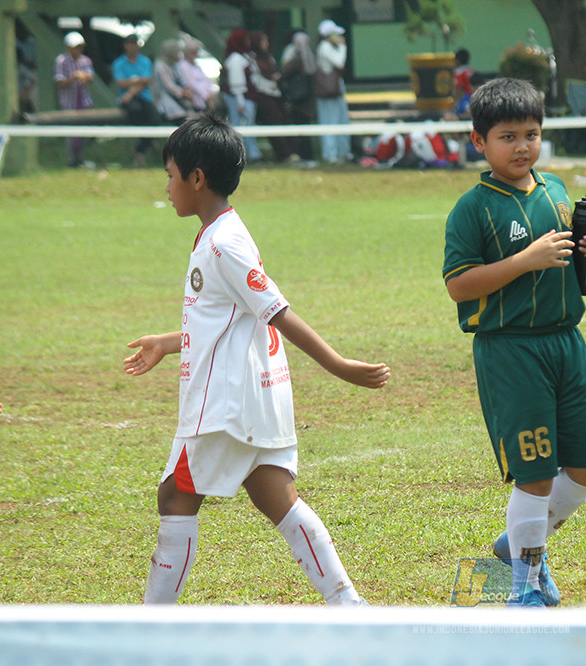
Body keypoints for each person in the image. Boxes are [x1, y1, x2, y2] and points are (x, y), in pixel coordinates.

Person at [125, 112, 390, 605]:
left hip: (225, 404)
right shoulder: (222, 232)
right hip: (254, 398)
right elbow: (223, 320)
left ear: (196, 178)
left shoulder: (224, 244)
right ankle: (348, 605)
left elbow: (277, 311)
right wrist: (167, 340)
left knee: (175, 497)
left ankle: (152, 625)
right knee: (274, 495)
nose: (167, 187)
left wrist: (338, 366)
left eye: (170, 175)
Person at [442, 78, 586, 607]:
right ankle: (523, 587)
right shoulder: (472, 209)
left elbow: (582, 259)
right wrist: (525, 260)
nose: (522, 146)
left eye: (532, 134)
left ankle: (515, 546)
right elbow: (458, 284)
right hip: (510, 351)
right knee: (535, 473)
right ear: (479, 142)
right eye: (507, 136)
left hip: (567, 343)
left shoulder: (557, 192)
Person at [249, 30, 299, 163]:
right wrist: (270, 84)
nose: (266, 44)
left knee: (284, 120)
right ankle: (283, 154)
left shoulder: (268, 57)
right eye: (263, 41)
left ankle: (292, 151)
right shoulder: (252, 58)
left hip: (275, 94)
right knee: (274, 121)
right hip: (264, 95)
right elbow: (256, 79)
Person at [112, 33, 162, 166]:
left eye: (135, 44)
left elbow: (146, 80)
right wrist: (137, 82)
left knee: (155, 118)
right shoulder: (119, 63)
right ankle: (148, 142)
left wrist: (132, 88)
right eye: (130, 44)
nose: (133, 47)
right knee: (135, 111)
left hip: (142, 96)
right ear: (125, 46)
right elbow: (121, 83)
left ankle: (140, 148)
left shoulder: (145, 61)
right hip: (127, 99)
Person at [221, 29, 263, 163]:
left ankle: (250, 154)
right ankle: (244, 156)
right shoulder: (235, 59)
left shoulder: (245, 57)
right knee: (241, 127)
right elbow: (236, 81)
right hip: (240, 99)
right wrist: (240, 102)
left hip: (247, 98)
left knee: (247, 127)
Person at [54, 31, 94, 168]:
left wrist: (84, 77)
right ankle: (71, 160)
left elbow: (90, 77)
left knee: (82, 133)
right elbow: (59, 82)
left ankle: (80, 159)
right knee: (70, 133)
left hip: (83, 100)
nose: (78, 50)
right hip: (69, 101)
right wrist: (72, 78)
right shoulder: (61, 61)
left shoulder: (86, 61)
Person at [315, 19, 352, 164]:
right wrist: (343, 47)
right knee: (330, 122)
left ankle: (343, 152)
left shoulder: (327, 47)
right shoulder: (325, 47)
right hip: (329, 91)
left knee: (342, 121)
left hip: (336, 89)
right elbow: (339, 63)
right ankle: (330, 154)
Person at [279, 30, 319, 164]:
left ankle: (305, 156)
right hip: (307, 98)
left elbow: (284, 72)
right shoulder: (310, 57)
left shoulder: (295, 58)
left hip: (298, 99)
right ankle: (308, 155)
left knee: (301, 129)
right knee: (305, 127)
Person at [152, 39, 192, 125]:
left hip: (180, 97)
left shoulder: (175, 64)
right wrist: (182, 93)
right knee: (180, 116)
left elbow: (182, 79)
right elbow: (168, 85)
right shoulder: (160, 65)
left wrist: (187, 89)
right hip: (165, 97)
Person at [177, 40, 216, 113]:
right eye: (192, 51)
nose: (195, 54)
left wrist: (210, 91)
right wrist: (206, 95)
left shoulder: (196, 66)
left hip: (205, 100)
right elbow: (192, 83)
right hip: (196, 100)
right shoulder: (183, 66)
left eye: (196, 51)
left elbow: (206, 80)